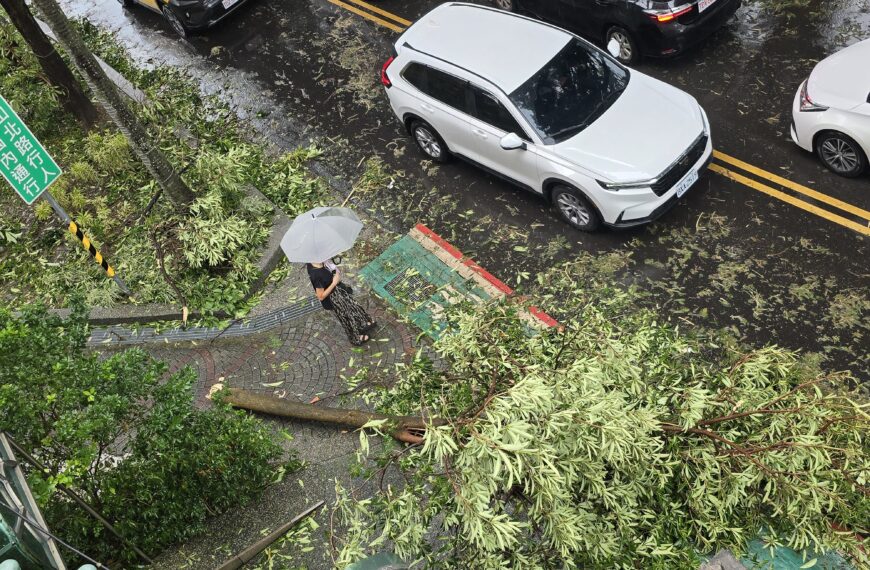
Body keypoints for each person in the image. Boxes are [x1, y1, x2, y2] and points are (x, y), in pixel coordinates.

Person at [306, 260, 375, 345]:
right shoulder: (315, 274)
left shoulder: (323, 262)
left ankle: (363, 323)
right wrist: (334, 283)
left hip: (340, 291)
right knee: (346, 317)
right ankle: (355, 337)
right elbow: (321, 296)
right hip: (334, 299)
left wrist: (333, 270)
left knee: (353, 306)